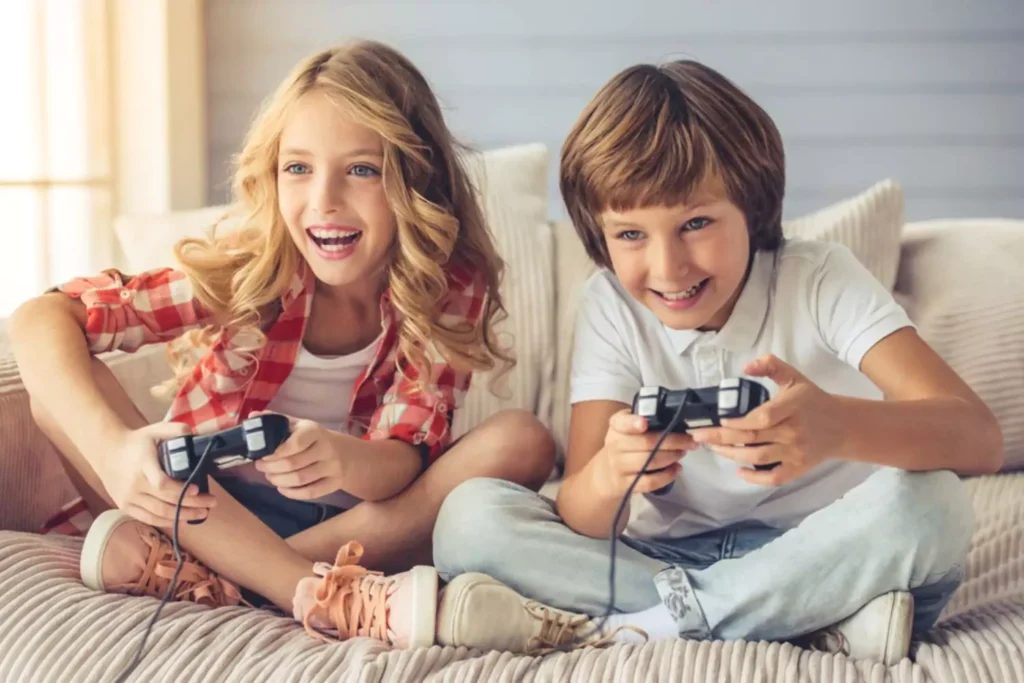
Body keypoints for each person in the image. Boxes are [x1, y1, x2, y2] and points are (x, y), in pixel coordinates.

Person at [429, 59, 1001, 665]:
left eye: (696, 223)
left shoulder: (818, 279)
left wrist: (838, 426)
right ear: (599, 235)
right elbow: (581, 514)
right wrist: (611, 477)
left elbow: (978, 438)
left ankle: (651, 624)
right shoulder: (609, 304)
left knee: (934, 504)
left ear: (751, 209)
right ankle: (796, 623)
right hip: (669, 559)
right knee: (468, 518)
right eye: (630, 235)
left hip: (820, 550)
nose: (669, 268)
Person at [9, 40, 554, 649]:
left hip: (354, 520)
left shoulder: (444, 285)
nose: (324, 200)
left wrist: (343, 459)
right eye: (299, 168)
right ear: (272, 175)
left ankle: (225, 581)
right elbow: (40, 316)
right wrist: (112, 451)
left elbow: (407, 456)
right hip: (204, 508)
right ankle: (312, 590)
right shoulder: (252, 268)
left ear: (415, 179)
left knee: (522, 440)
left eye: (362, 169)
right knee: (53, 396)